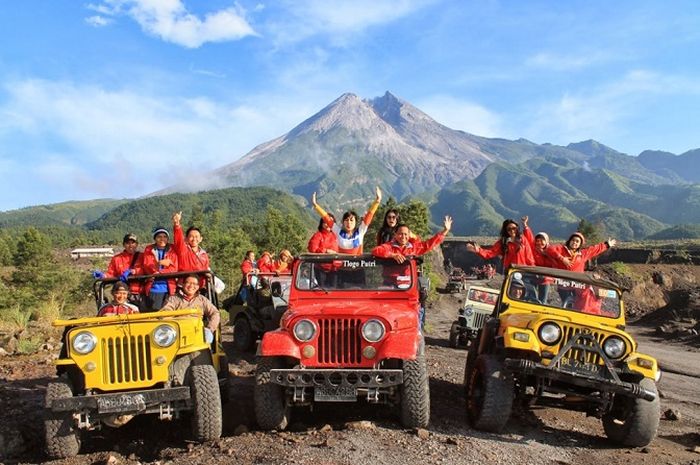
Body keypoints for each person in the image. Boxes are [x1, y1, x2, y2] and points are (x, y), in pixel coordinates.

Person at [311, 187, 382, 255]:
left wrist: (377, 201)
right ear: (343, 222)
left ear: (356, 222)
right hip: (341, 266)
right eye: (346, 220)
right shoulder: (338, 232)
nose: (349, 223)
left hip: (357, 265)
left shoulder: (360, 231)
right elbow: (327, 219)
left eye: (351, 220)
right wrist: (316, 205)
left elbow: (369, 216)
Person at [160, 275, 220, 343]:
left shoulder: (202, 299)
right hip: (178, 330)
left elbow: (215, 313)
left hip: (197, 330)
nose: (191, 286)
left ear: (198, 287)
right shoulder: (173, 299)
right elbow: (165, 314)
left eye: (194, 284)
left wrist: (209, 328)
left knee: (207, 336)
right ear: (183, 284)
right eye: (188, 283)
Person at [372, 216, 453, 263]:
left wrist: (445, 231)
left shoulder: (413, 248)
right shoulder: (389, 246)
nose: (403, 236)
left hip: (409, 284)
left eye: (405, 234)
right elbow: (376, 250)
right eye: (400, 234)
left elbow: (429, 244)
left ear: (409, 235)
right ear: (395, 235)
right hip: (390, 284)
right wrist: (393, 255)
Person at [466, 218, 535, 273]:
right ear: (506, 231)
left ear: (517, 228)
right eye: (509, 229)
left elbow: (529, 256)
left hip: (523, 271)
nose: (512, 231)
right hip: (510, 272)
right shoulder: (503, 242)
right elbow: (491, 252)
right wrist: (478, 250)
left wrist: (533, 270)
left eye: (514, 228)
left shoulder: (522, 239)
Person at [139, 226, 178, 312]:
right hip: (154, 287)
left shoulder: (172, 249)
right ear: (155, 238)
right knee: (155, 313)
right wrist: (159, 263)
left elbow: (174, 269)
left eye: (165, 237)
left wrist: (160, 271)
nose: (162, 239)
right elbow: (147, 266)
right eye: (159, 236)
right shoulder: (149, 249)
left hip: (170, 288)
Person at [97, 233, 143, 305]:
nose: (130, 245)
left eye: (133, 243)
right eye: (128, 243)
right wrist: (103, 276)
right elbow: (111, 273)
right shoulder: (117, 259)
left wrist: (133, 271)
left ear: (136, 244)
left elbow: (147, 269)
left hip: (139, 289)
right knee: (106, 293)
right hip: (121, 291)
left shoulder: (142, 257)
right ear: (124, 245)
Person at [549, 232, 617, 272]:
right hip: (562, 284)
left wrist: (607, 245)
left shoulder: (583, 254)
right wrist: (562, 258)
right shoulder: (561, 249)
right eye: (573, 240)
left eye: (577, 241)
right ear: (569, 241)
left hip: (578, 284)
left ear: (580, 244)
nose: (574, 242)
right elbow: (550, 249)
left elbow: (595, 249)